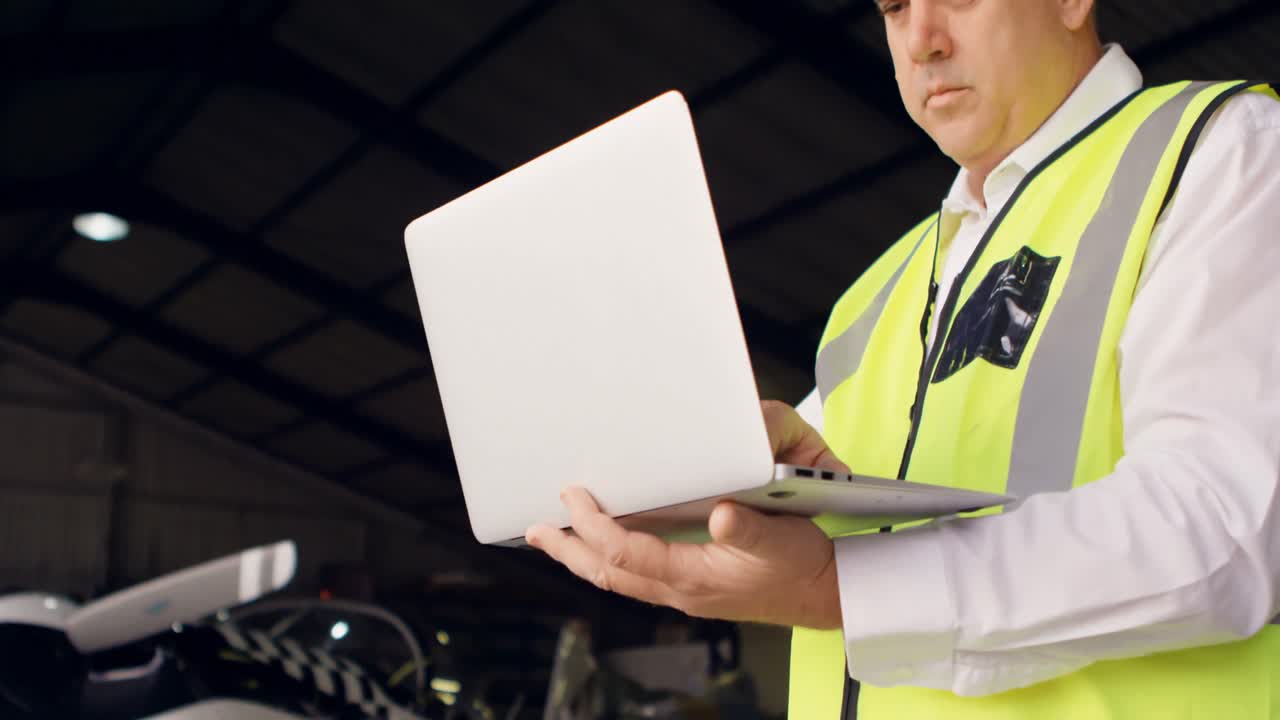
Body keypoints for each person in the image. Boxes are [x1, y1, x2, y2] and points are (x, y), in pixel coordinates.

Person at [527, 0, 1280, 717]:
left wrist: (841, 590)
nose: (923, 40)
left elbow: (1227, 524)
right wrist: (687, 486)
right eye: (892, 9)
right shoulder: (875, 296)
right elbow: (767, 540)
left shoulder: (1217, 150)